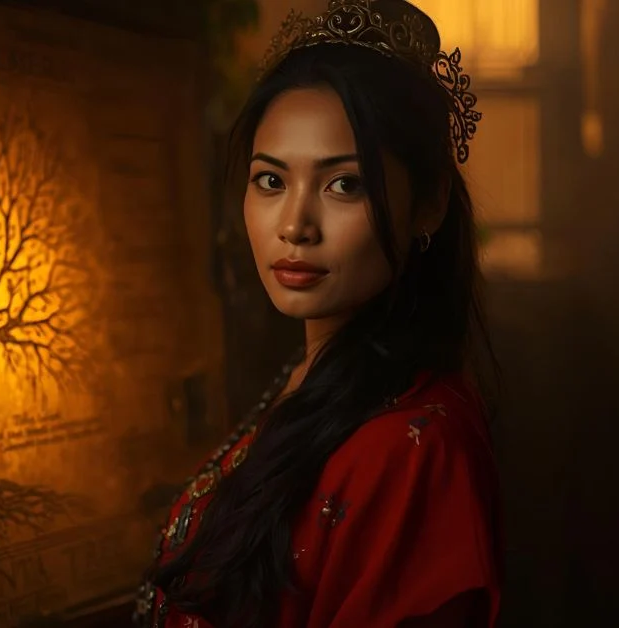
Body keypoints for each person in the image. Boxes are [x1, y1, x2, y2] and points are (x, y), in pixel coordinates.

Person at [133, 1, 503, 626]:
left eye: (344, 185)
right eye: (271, 181)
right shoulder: (307, 377)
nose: (295, 226)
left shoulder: (417, 447)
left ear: (430, 203)